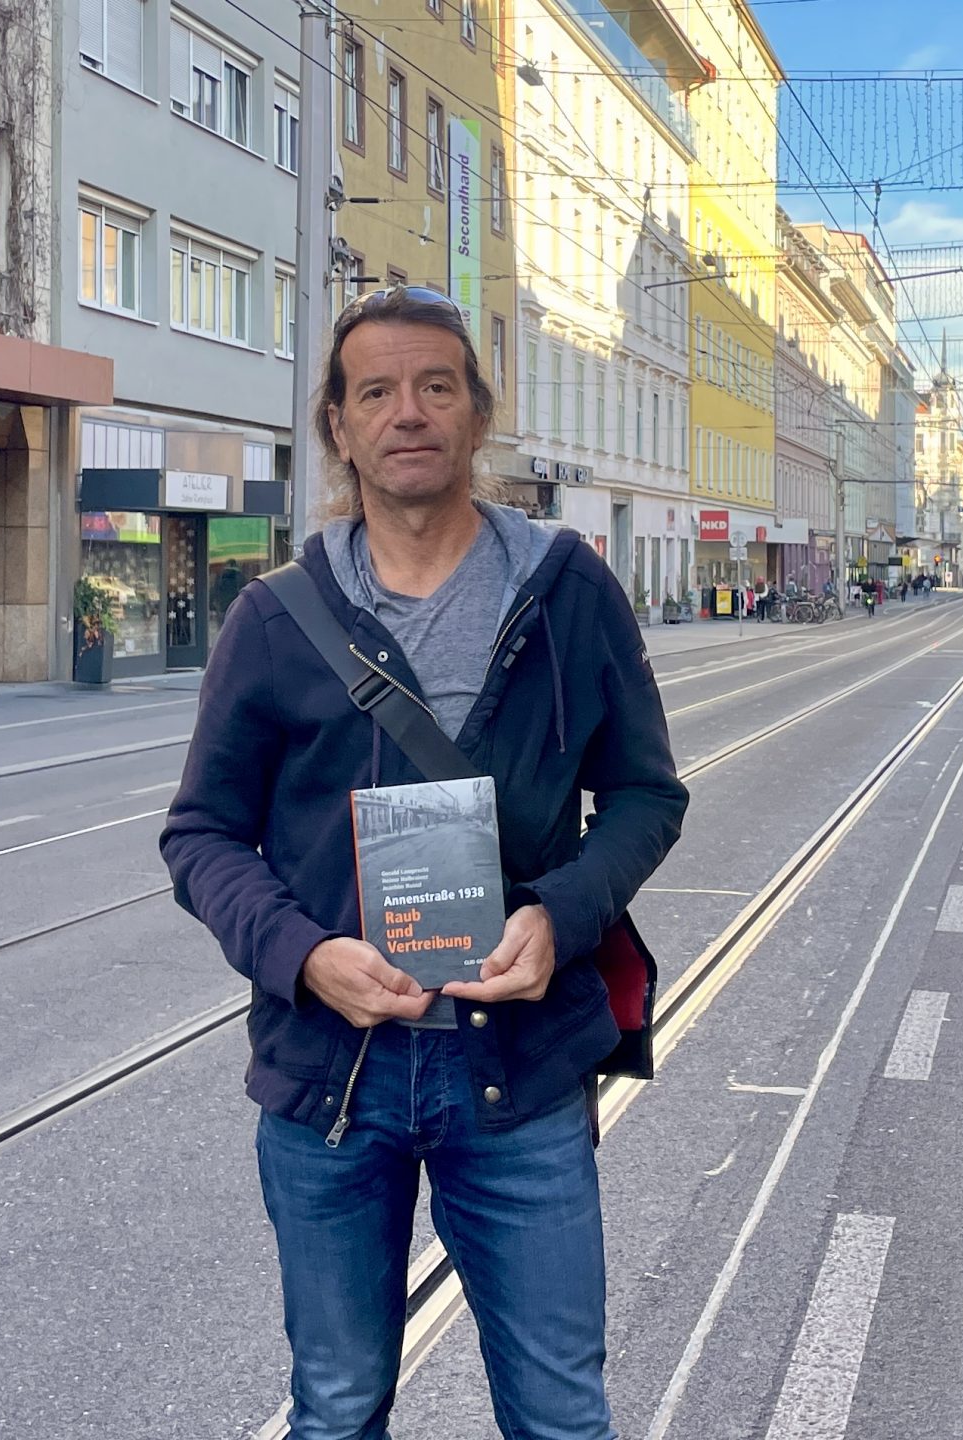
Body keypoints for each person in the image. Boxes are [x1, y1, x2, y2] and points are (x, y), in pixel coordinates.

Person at [160, 285, 688, 1440]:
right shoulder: (275, 618)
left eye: (436, 386)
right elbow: (199, 835)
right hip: (330, 1081)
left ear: (474, 415)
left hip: (521, 1071)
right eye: (378, 392)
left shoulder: (566, 592)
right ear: (339, 428)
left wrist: (563, 916)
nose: (410, 412)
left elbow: (647, 793)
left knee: (560, 1412)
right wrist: (302, 956)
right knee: (337, 1406)